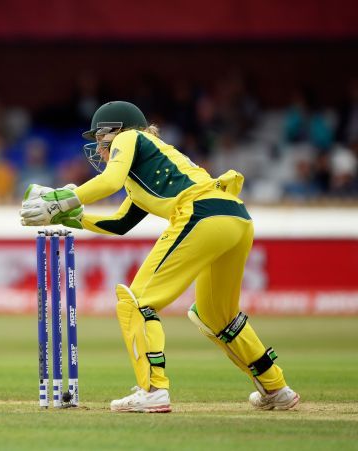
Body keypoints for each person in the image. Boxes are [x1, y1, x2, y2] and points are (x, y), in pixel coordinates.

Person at [19, 101, 299, 413]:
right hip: (236, 218)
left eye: (100, 140)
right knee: (216, 315)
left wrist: (58, 200)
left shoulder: (130, 138)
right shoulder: (147, 166)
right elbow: (119, 223)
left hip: (202, 213)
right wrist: (71, 217)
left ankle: (152, 390)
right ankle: (276, 387)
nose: (98, 150)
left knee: (137, 302)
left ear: (116, 131)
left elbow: (108, 182)